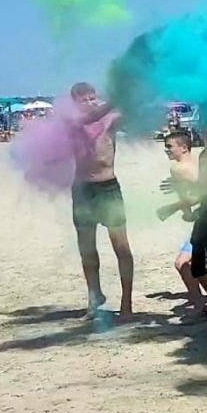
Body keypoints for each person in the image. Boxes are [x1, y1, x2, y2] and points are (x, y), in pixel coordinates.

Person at [67, 83, 134, 319]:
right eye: (84, 100)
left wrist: (131, 93)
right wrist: (115, 99)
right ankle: (94, 298)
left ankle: (126, 303)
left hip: (108, 187)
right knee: (87, 249)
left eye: (92, 98)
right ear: (74, 103)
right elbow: (89, 118)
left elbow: (132, 114)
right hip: (82, 189)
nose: (89, 103)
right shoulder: (71, 121)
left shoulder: (111, 118)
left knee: (121, 247)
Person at [157, 129, 207, 314]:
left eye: (169, 146)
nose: (166, 150)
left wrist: (175, 209)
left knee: (182, 263)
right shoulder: (199, 161)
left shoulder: (178, 169)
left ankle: (199, 305)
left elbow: (199, 193)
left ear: (183, 147)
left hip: (206, 218)